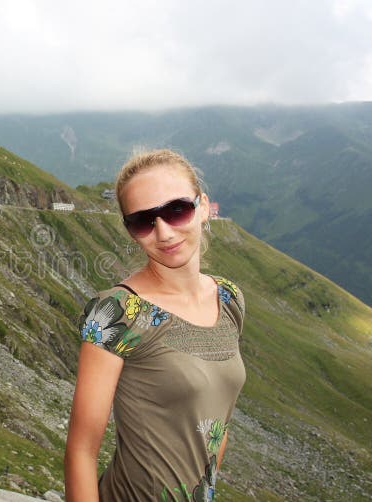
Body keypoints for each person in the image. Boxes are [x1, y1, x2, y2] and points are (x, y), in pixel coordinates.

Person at [64, 149, 246, 501]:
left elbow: (217, 424)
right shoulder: (117, 312)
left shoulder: (229, 299)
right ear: (130, 231)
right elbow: (81, 451)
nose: (163, 232)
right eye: (143, 221)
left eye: (177, 210)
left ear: (203, 207)